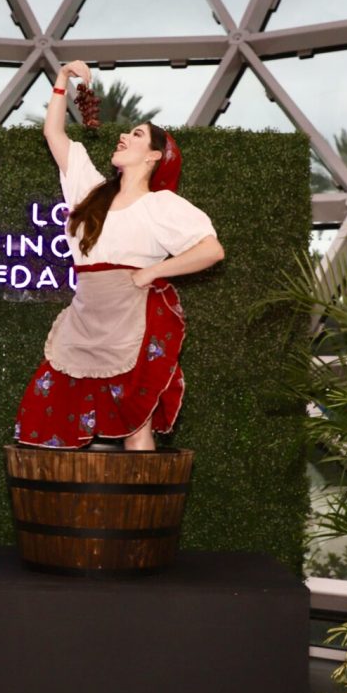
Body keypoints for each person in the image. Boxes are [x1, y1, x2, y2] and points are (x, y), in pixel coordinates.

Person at [15, 61, 224, 451]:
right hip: (86, 315)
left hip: (133, 316)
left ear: (154, 156)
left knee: (134, 422)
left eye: (138, 134)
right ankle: (77, 509)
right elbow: (53, 132)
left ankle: (139, 512)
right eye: (128, 131)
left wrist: (153, 272)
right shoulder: (90, 190)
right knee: (59, 410)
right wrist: (61, 79)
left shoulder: (162, 204)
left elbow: (211, 250)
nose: (125, 136)